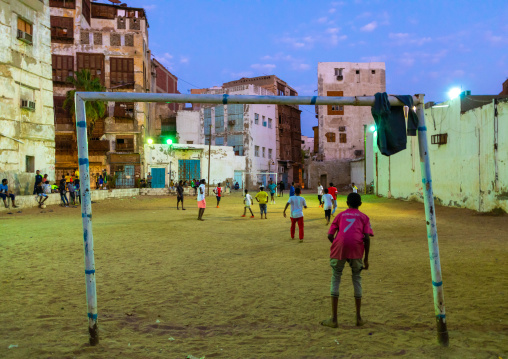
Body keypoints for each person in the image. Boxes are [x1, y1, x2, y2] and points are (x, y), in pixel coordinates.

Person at [321, 193, 374, 329]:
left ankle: (334, 319)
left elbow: (329, 235)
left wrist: (336, 244)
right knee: (356, 278)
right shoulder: (364, 217)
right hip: (356, 249)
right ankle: (358, 318)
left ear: (346, 203)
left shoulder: (340, 215)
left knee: (336, 277)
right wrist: (366, 258)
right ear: (360, 204)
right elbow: (367, 238)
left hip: (340, 248)